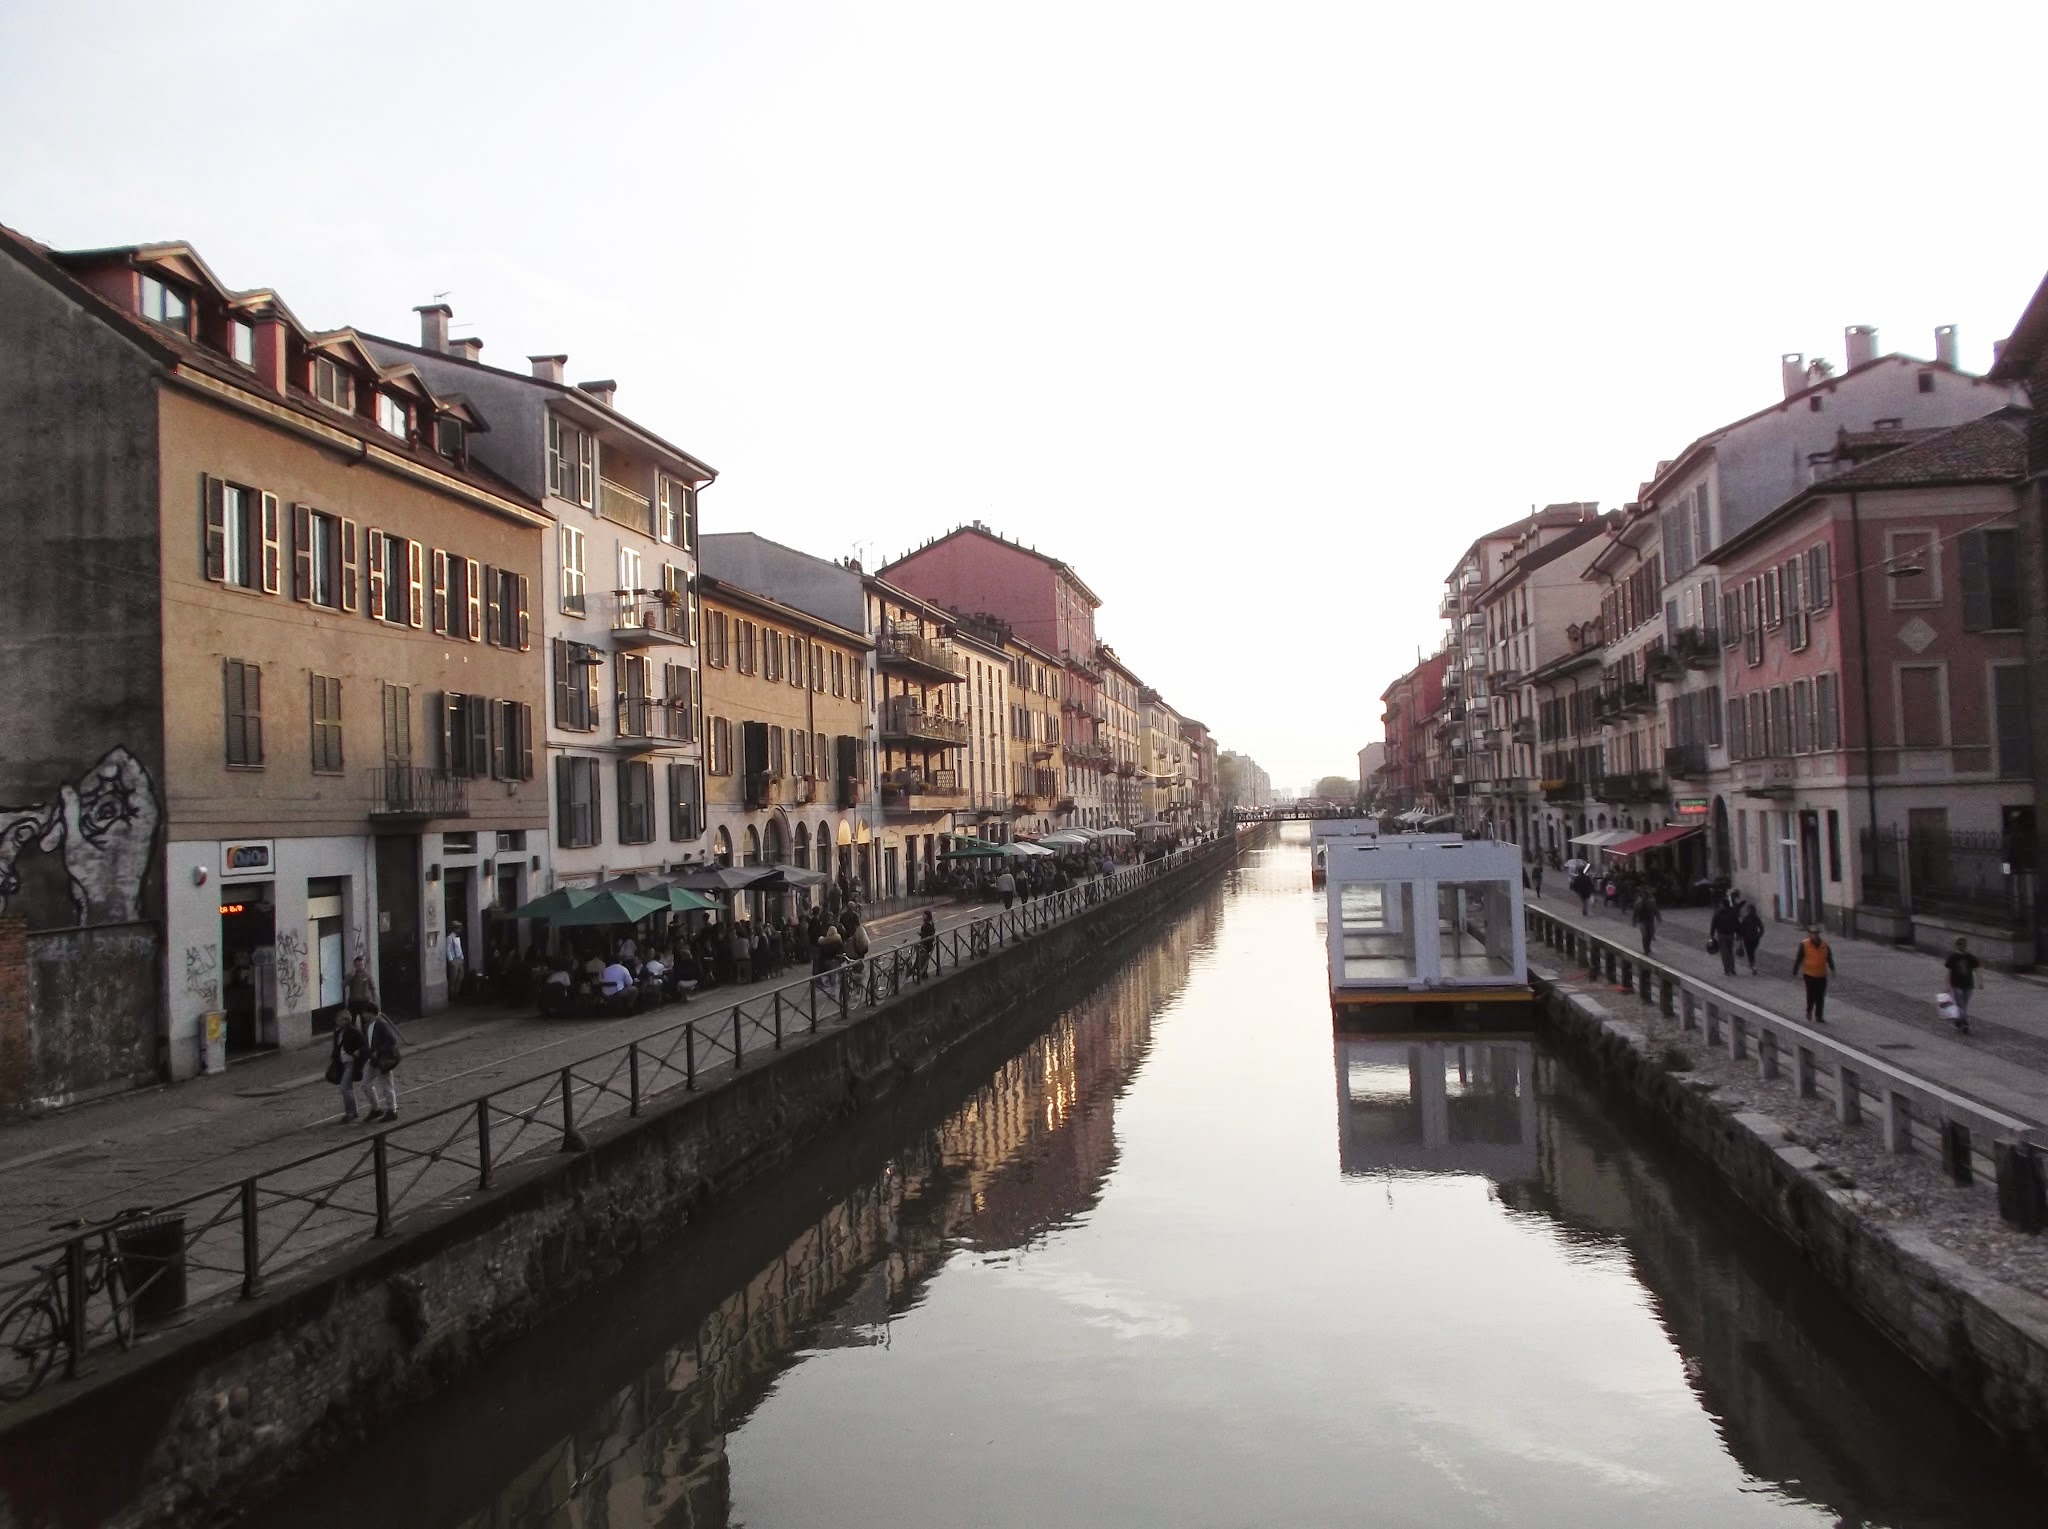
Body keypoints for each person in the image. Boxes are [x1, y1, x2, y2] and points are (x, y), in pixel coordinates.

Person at [362, 1010, 402, 1121]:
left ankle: (391, 1110)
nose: (363, 1015)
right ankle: (376, 1108)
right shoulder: (366, 1027)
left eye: (365, 1012)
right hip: (372, 1060)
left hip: (383, 1059)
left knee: (386, 1085)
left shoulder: (381, 1025)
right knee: (365, 1084)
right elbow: (367, 1043)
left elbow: (392, 1041)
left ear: (371, 1012)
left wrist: (378, 1051)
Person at [330, 1009, 368, 1123]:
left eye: (339, 1020)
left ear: (346, 1020)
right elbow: (337, 1048)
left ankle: (350, 1112)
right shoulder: (337, 1032)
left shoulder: (354, 1031)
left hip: (351, 1063)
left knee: (344, 1087)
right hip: (342, 1063)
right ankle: (352, 1111)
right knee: (347, 1088)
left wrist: (358, 1052)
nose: (337, 1022)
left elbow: (364, 1045)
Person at [1792, 926, 1836, 1023]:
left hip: (1821, 974)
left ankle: (1819, 1016)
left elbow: (1829, 958)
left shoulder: (1824, 945)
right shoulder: (1804, 944)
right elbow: (1799, 958)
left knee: (1820, 996)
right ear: (1809, 934)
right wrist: (1795, 970)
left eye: (1816, 933)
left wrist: (1832, 969)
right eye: (1813, 933)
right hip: (1809, 974)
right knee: (1811, 994)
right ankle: (1809, 1010)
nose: (1815, 935)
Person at [1944, 936, 1980, 1033]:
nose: (1963, 946)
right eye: (1960, 944)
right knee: (1961, 1004)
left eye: (1964, 944)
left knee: (1964, 1004)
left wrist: (1980, 981)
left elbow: (1976, 969)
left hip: (1968, 984)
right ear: (1957, 945)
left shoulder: (1970, 957)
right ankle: (1965, 1023)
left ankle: (1959, 1021)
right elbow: (1949, 972)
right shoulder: (1953, 957)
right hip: (1956, 984)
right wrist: (1947, 984)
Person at [1709, 896, 1742, 977]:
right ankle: (1732, 969)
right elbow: (1737, 923)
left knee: (1724, 953)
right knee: (1730, 952)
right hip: (1730, 935)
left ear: (1722, 904)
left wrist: (1712, 935)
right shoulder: (1732, 912)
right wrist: (1738, 934)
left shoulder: (1718, 912)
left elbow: (1713, 924)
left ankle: (1727, 970)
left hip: (1722, 934)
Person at [344, 957, 378, 1023]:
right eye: (357, 965)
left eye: (361, 965)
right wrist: (351, 975)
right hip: (353, 1001)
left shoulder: (367, 975)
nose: (359, 967)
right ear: (354, 966)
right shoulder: (351, 976)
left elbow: (372, 988)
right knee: (351, 1021)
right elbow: (343, 984)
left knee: (365, 1021)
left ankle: (365, 1033)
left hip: (364, 1002)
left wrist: (374, 1000)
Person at [1737, 900, 1764, 975]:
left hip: (1747, 939)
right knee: (1752, 952)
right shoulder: (1756, 918)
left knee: (1750, 953)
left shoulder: (1745, 919)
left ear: (1748, 910)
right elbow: (1762, 928)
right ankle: (1752, 965)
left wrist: (1739, 937)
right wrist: (1759, 935)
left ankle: (1753, 966)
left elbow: (1741, 929)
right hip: (1755, 939)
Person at [1631, 888, 1660, 957]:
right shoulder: (1638, 903)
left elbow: (1655, 910)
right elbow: (1634, 913)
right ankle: (1645, 949)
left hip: (1650, 921)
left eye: (1646, 896)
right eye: (1643, 896)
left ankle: (1648, 947)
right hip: (1642, 921)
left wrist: (1658, 917)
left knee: (1649, 935)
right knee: (1645, 935)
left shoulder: (1651, 902)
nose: (1644, 897)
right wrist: (1634, 921)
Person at [443, 928, 465, 1000]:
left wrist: (462, 958)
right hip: (454, 959)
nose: (460, 929)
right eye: (459, 928)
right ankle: (451, 994)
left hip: (459, 959)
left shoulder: (458, 937)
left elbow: (459, 948)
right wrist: (451, 960)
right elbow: (448, 949)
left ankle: (456, 993)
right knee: (453, 978)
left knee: (460, 977)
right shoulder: (449, 938)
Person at [916, 909, 937, 978]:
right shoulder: (930, 923)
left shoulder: (928, 924)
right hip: (927, 943)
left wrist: (921, 934)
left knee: (923, 958)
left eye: (924, 915)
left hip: (926, 944)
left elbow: (929, 934)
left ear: (927, 916)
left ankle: (923, 973)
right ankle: (923, 972)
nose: (923, 916)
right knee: (924, 958)